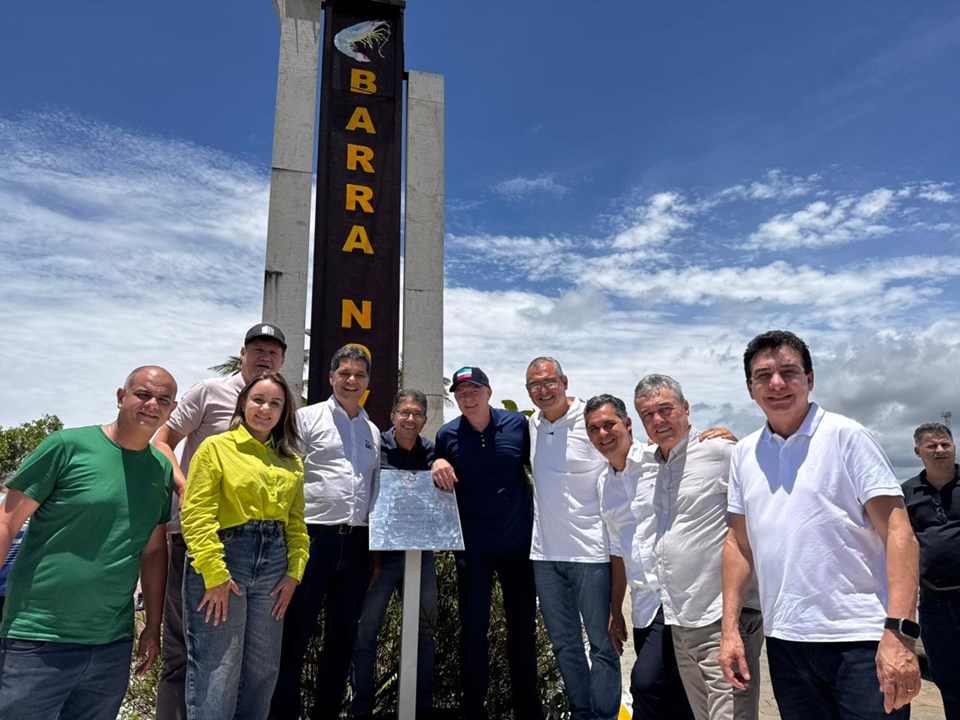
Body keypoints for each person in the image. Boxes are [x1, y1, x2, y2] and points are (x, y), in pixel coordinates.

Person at [719, 330, 921, 719]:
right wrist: (729, 631)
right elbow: (739, 545)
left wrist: (900, 633)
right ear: (749, 388)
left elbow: (900, 533)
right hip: (785, 641)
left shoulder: (848, 437)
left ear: (809, 379)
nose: (777, 384)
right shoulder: (744, 454)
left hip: (862, 640)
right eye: (763, 376)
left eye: (788, 372)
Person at [0, 366, 178, 720]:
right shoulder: (66, 446)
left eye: (163, 400)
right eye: (143, 394)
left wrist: (153, 626)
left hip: (110, 646)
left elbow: (154, 551)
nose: (152, 405)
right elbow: (8, 521)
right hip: (37, 637)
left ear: (171, 410)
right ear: (121, 397)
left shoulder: (160, 469)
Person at [154, 323, 287, 720]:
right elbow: (162, 441)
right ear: (242, 354)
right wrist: (184, 487)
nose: (265, 357)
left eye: (273, 352)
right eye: (257, 349)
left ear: (282, 360)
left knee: (245, 663)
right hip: (198, 537)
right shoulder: (209, 392)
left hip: (259, 550)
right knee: (185, 650)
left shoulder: (279, 406)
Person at [180, 372, 308, 720]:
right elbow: (196, 513)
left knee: (262, 671)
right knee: (218, 669)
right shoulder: (216, 448)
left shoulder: (291, 461)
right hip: (226, 558)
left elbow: (296, 523)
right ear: (243, 403)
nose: (265, 409)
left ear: (284, 412)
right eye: (258, 400)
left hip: (275, 566)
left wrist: (294, 572)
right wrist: (214, 574)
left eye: (275, 403)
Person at [633, 374, 761, 720]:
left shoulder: (719, 452)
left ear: (686, 408)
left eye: (666, 409)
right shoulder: (656, 463)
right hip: (681, 621)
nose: (658, 419)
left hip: (723, 619)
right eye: (648, 414)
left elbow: (769, 474)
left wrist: (741, 442)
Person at [271, 345, 381, 720]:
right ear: (331, 377)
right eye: (345, 373)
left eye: (359, 375)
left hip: (357, 544)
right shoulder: (305, 419)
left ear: (367, 381)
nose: (352, 380)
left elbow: (373, 489)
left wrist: (374, 553)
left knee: (342, 639)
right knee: (295, 635)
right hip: (312, 540)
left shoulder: (371, 431)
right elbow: (286, 476)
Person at [432, 366, 542, 720]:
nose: (468, 398)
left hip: (517, 546)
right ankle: (473, 709)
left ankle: (528, 710)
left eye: (475, 391)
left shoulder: (518, 425)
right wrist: (437, 460)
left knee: (522, 631)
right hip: (472, 550)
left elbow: (546, 462)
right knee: (473, 632)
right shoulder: (447, 434)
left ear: (489, 392)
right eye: (461, 393)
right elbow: (433, 465)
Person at [585, 393, 693, 720]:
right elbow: (618, 551)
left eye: (609, 424)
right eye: (593, 429)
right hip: (644, 606)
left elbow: (693, 449)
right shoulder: (603, 485)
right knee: (675, 695)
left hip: (678, 598)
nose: (603, 434)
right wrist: (615, 608)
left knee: (645, 685)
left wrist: (719, 436)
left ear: (628, 424)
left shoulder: (658, 459)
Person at [524, 358, 619, 720]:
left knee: (602, 645)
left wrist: (704, 436)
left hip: (591, 554)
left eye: (549, 382)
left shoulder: (591, 419)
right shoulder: (532, 424)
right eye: (534, 385)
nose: (543, 390)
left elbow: (632, 453)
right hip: (545, 554)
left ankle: (604, 715)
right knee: (565, 645)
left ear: (565, 381)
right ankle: (582, 712)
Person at [351, 389, 438, 720]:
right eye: (405, 412)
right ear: (392, 416)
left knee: (425, 628)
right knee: (366, 629)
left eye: (417, 414)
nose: (410, 419)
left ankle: (422, 704)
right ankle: (362, 707)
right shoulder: (376, 448)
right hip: (381, 557)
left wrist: (442, 462)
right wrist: (372, 558)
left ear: (424, 420)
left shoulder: (431, 451)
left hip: (421, 555)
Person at [902, 422, 960, 719]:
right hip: (934, 605)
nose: (940, 450)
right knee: (949, 680)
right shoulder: (907, 493)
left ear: (954, 447)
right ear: (918, 452)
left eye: (945, 444)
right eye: (932, 445)